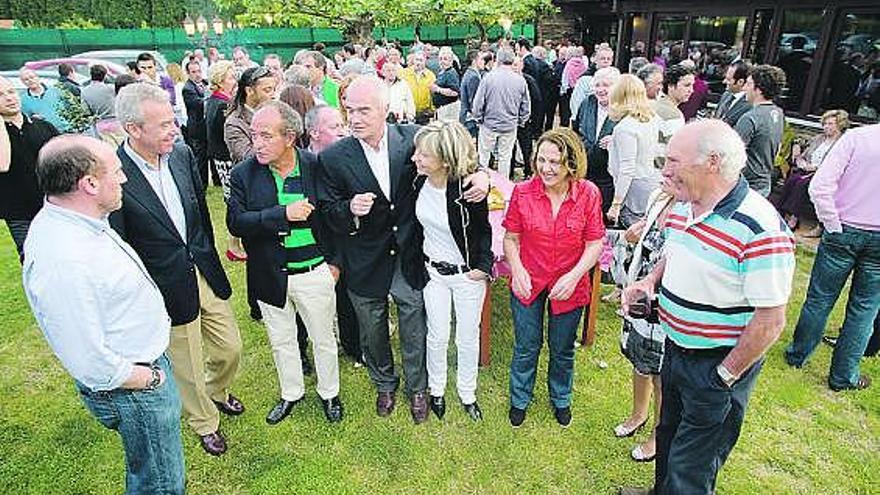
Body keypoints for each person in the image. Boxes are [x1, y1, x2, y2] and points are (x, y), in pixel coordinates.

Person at [618, 120, 795, 495]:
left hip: (716, 365)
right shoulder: (687, 205)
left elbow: (771, 320)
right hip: (676, 350)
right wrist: (649, 283)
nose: (665, 170)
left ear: (712, 162)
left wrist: (725, 376)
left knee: (693, 468)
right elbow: (676, 250)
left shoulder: (761, 227)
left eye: (674, 161)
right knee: (668, 437)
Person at [318, 76, 489, 424]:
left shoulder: (412, 139)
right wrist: (349, 207)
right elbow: (326, 210)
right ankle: (384, 383)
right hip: (364, 260)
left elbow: (456, 155)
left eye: (364, 110)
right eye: (349, 110)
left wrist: (482, 175)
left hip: (410, 256)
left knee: (415, 323)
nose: (355, 118)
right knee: (373, 327)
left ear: (385, 109)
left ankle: (418, 389)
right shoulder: (334, 157)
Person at [23, 135, 185, 494]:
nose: (125, 177)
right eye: (116, 171)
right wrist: (148, 380)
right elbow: (87, 358)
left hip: (142, 368)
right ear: (89, 184)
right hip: (134, 386)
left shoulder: (80, 222)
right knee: (160, 482)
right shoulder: (63, 259)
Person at [110, 83, 244, 457]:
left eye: (174, 121)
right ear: (134, 129)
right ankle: (204, 421)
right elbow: (119, 243)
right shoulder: (114, 172)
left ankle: (217, 390)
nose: (175, 130)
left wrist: (211, 257)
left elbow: (199, 212)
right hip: (163, 283)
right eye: (165, 124)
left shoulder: (182, 155)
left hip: (202, 268)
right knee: (185, 362)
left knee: (230, 347)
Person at [227, 101, 343, 424]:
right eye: (254, 135)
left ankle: (329, 392)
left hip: (314, 271)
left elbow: (334, 218)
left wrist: (333, 265)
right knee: (282, 341)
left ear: (289, 137)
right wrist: (282, 215)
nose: (257, 144)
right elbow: (236, 222)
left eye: (266, 136)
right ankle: (291, 393)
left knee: (323, 339)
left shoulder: (315, 166)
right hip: (270, 274)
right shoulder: (243, 174)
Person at [503, 128, 605, 428]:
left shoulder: (588, 193)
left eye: (555, 162)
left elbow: (595, 242)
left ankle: (561, 398)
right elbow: (511, 238)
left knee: (562, 348)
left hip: (568, 283)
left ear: (571, 164)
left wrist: (575, 276)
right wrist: (518, 269)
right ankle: (520, 398)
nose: (546, 168)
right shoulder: (522, 192)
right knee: (526, 345)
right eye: (541, 160)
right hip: (529, 278)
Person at [784, 123, 880, 392]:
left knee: (821, 298)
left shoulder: (858, 138)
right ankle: (842, 375)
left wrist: (832, 222)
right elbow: (820, 186)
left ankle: (798, 355)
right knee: (864, 309)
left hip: (845, 228)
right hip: (854, 230)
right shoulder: (856, 137)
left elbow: (820, 185)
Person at [412, 120, 492, 422]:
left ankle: (467, 393)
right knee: (437, 333)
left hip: (466, 276)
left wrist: (482, 267)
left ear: (445, 161)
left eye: (424, 155)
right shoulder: (417, 180)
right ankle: (437, 390)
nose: (415, 158)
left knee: (467, 337)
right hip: (433, 272)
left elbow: (484, 231)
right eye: (417, 152)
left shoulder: (467, 189)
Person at [612, 182, 677, 463]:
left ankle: (657, 436)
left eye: (671, 166)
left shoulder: (695, 210)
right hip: (642, 298)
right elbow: (639, 248)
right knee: (640, 362)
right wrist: (628, 239)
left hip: (668, 304)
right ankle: (638, 414)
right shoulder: (657, 198)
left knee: (661, 374)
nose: (662, 172)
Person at [0, 75, 58, 261]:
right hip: (20, 214)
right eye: (0, 95)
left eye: (10, 92)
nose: (9, 98)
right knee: (34, 261)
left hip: (54, 206)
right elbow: (3, 164)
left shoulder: (42, 126)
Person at [774, 109, 849, 232]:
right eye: (825, 124)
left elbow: (838, 164)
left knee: (802, 184)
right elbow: (802, 148)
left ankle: (794, 218)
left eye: (830, 124)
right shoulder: (819, 138)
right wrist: (799, 154)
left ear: (839, 125)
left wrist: (816, 168)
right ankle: (780, 213)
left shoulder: (842, 143)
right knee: (792, 179)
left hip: (823, 175)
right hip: (805, 169)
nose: (826, 127)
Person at [607, 74, 660, 228]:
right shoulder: (651, 118)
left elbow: (627, 168)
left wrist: (616, 203)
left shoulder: (625, 127)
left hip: (632, 189)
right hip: (649, 180)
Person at [472, 47, 531, 180]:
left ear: (496, 59)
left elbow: (478, 104)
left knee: (484, 158)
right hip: (509, 126)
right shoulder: (520, 80)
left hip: (489, 125)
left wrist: (479, 119)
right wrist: (520, 121)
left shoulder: (488, 78)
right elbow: (526, 107)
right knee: (505, 158)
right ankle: (503, 189)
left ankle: (482, 184)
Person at [573, 66, 621, 217]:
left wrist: (615, 141)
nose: (601, 90)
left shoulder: (623, 108)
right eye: (597, 85)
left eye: (606, 85)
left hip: (608, 176)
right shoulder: (587, 103)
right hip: (585, 171)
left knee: (600, 217)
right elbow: (576, 131)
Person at [735, 64, 786, 197]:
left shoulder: (750, 118)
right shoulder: (778, 113)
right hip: (764, 182)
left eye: (749, 84)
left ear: (759, 89)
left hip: (746, 186)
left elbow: (732, 154)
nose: (745, 88)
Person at [225, 66, 278, 164]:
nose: (273, 95)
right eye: (267, 90)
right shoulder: (234, 123)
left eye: (274, 89)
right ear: (249, 91)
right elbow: (247, 156)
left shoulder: (275, 113)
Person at [654, 64, 694, 168]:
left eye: (692, 85)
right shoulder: (673, 115)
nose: (691, 90)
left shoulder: (654, 105)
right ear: (671, 86)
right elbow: (676, 152)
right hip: (659, 174)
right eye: (687, 85)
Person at [182, 58, 210, 187]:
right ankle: (201, 184)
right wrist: (211, 96)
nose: (197, 74)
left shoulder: (205, 83)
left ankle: (215, 181)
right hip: (196, 128)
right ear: (188, 73)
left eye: (199, 71)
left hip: (206, 126)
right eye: (193, 72)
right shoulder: (187, 88)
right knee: (200, 158)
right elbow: (198, 104)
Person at [570, 44, 614, 119]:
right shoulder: (585, 79)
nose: (606, 61)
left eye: (608, 59)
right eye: (602, 58)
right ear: (596, 60)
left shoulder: (616, 79)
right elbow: (576, 102)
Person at [18, 68, 70, 132]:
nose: (30, 80)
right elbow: (26, 120)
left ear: (37, 77)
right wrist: (33, 119)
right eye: (26, 79)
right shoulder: (23, 99)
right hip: (45, 133)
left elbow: (70, 108)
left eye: (32, 77)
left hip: (65, 130)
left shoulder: (56, 90)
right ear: (23, 82)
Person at [399, 52, 436, 124]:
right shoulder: (404, 73)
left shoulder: (431, 76)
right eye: (417, 60)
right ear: (413, 61)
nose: (418, 63)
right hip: (408, 112)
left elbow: (433, 94)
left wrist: (433, 110)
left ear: (425, 61)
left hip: (425, 112)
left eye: (421, 60)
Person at [713, 61, 752, 127]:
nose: (724, 82)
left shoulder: (749, 105)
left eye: (728, 79)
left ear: (740, 82)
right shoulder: (726, 95)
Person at [458, 50, 485, 138]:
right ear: (474, 61)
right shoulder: (473, 77)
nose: (483, 61)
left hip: (467, 118)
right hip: (470, 120)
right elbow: (474, 101)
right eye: (481, 59)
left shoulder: (469, 74)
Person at [431, 47, 460, 122]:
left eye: (445, 59)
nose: (442, 61)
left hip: (449, 110)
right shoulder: (442, 72)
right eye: (440, 59)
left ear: (451, 61)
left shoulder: (451, 73)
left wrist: (438, 89)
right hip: (441, 109)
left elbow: (455, 93)